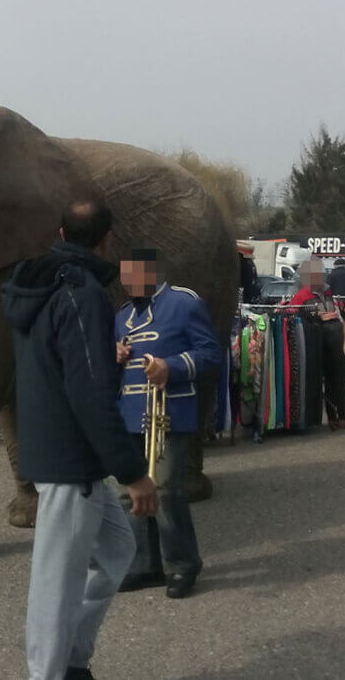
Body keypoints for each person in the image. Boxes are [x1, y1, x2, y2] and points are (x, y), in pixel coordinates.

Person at [1, 199, 157, 680]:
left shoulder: (36, 282)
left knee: (116, 550)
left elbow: (58, 364)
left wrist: (102, 356)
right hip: (72, 464)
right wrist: (134, 473)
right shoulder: (83, 292)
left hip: (60, 452)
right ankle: (52, 672)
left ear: (62, 231)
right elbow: (89, 394)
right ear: (107, 238)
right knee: (56, 588)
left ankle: (71, 658)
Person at [114, 247, 220, 599]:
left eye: (136, 275)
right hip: (130, 416)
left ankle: (182, 565)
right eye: (126, 277)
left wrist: (170, 367)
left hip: (168, 414)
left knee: (166, 492)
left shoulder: (184, 302)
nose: (130, 284)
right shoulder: (122, 316)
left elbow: (210, 353)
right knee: (132, 492)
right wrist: (114, 356)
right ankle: (144, 565)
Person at [290, 258, 345, 429]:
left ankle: (340, 416)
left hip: (335, 341)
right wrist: (317, 318)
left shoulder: (328, 292)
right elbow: (294, 320)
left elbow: (338, 312)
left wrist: (333, 315)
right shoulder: (301, 296)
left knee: (338, 378)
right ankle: (319, 418)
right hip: (315, 342)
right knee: (316, 380)